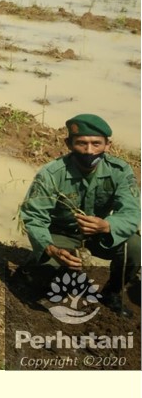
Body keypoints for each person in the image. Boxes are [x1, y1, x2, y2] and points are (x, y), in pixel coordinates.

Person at [18, 114, 140, 315]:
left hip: (99, 232)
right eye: (82, 143)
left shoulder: (120, 171)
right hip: (62, 234)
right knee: (45, 284)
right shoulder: (51, 174)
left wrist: (107, 225)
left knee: (135, 247)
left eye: (96, 144)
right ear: (69, 144)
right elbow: (33, 217)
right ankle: (34, 265)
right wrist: (51, 249)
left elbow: (131, 211)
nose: (89, 151)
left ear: (108, 145)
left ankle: (112, 293)